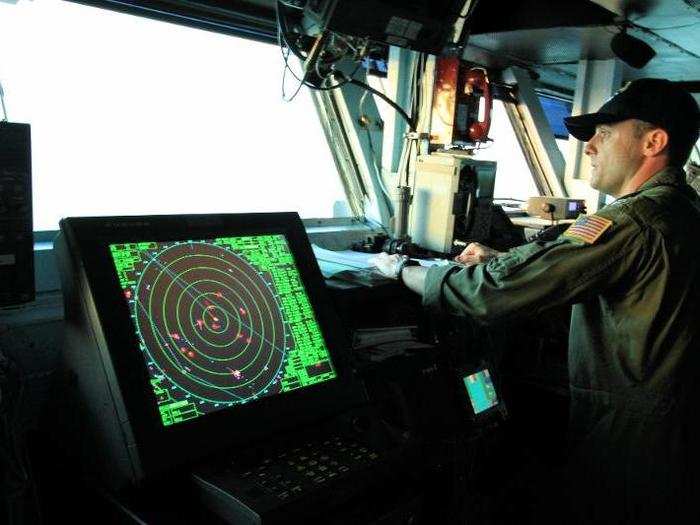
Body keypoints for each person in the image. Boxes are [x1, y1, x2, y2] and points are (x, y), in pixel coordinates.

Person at [372, 78, 700, 523]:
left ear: (654, 142)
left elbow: (491, 292)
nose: (589, 147)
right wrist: (506, 258)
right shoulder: (682, 211)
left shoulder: (632, 220)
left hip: (634, 434)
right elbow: (616, 284)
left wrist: (407, 271)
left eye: (604, 133)